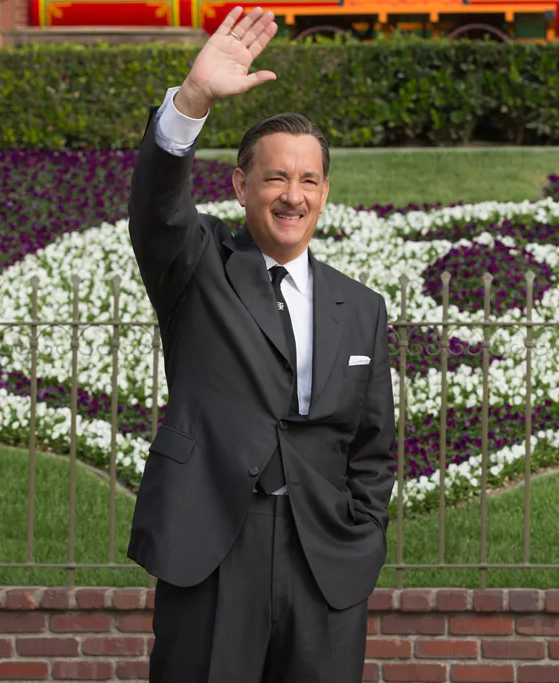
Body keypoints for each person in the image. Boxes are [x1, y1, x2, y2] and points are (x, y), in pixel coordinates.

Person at [124, 6, 397, 682]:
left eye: (308, 179)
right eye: (275, 177)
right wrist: (191, 102)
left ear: (326, 193)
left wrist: (361, 537)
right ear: (242, 185)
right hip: (213, 551)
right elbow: (156, 211)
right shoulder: (198, 265)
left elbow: (374, 447)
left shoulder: (361, 308)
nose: (292, 195)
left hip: (325, 565)